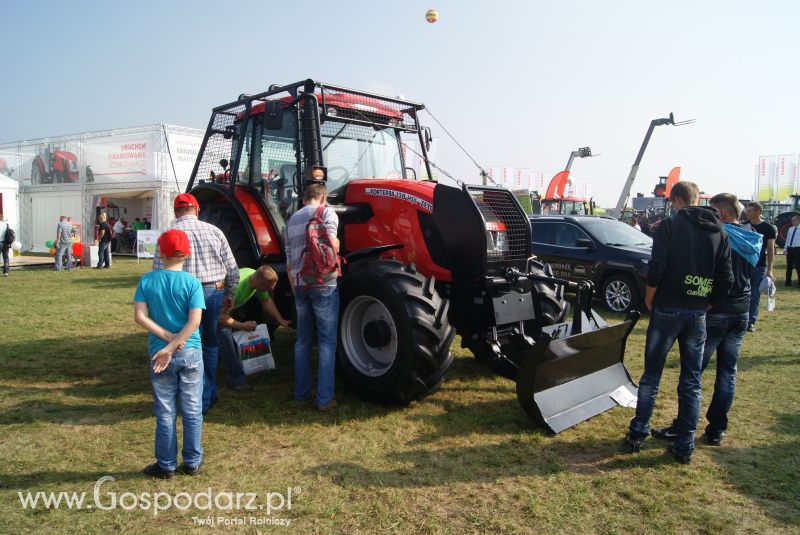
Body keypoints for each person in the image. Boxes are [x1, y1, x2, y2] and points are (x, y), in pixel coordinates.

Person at [625, 181, 733, 464]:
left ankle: (638, 432)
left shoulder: (670, 226)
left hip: (667, 309)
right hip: (696, 313)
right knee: (691, 381)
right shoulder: (719, 232)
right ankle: (684, 444)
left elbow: (657, 267)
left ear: (676, 199)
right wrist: (706, 304)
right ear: (697, 198)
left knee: (651, 376)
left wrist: (649, 298)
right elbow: (726, 280)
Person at [651, 193, 761, 447]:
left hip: (717, 312)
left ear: (721, 214)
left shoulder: (721, 235)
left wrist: (707, 304)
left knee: (692, 374)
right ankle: (716, 428)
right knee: (727, 372)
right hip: (741, 312)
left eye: (711, 213)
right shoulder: (751, 237)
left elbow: (719, 277)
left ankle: (682, 426)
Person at [153, 193, 239, 415]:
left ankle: (197, 396)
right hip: (213, 291)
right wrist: (229, 294)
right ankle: (206, 393)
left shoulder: (168, 235)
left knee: (190, 343)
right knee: (210, 342)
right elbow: (232, 269)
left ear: (175, 212)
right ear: (197, 210)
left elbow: (157, 271)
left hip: (182, 293)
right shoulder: (215, 231)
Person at [134, 229, 205, 479]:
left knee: (165, 412)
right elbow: (194, 321)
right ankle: (193, 462)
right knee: (192, 409)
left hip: (159, 355)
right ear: (187, 253)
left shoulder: (147, 281)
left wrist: (166, 343)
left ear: (161, 253)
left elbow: (140, 317)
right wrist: (175, 342)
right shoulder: (192, 283)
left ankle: (165, 465)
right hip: (190, 352)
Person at [285, 181, 340, 411]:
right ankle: (324, 399)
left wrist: (296, 287)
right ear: (323, 197)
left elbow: (289, 262)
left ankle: (301, 392)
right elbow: (333, 246)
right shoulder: (327, 213)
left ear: (304, 198)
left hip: (299, 284)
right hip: (324, 284)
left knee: (302, 341)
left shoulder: (290, 220)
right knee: (327, 343)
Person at [217, 266, 292, 391]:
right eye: (270, 286)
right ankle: (238, 381)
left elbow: (266, 300)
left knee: (223, 342)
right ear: (259, 284)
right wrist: (242, 326)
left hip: (224, 309)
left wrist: (280, 320)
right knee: (227, 343)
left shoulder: (255, 276)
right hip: (211, 310)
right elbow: (220, 317)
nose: (272, 288)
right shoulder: (236, 290)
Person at [742, 202, 776, 331]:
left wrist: (770, 270)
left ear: (758, 212)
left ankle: (750, 322)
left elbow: (771, 249)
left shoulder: (769, 228)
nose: (747, 213)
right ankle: (741, 319)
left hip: (759, 266)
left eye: (750, 211)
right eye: (747, 210)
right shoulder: (744, 226)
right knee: (742, 293)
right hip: (744, 265)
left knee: (755, 294)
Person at [783, 215, 800, 287]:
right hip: (790, 249)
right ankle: (788, 282)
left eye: (794, 220)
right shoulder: (790, 229)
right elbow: (788, 239)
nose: (792, 222)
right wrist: (785, 248)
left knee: (798, 266)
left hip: (798, 248)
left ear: (798, 220)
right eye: (792, 220)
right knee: (789, 266)